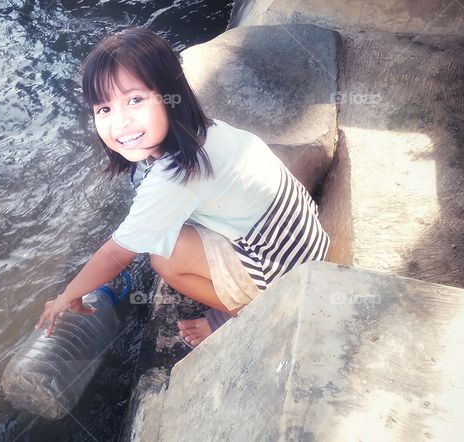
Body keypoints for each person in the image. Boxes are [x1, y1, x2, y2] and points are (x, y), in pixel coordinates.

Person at [35, 28, 330, 348]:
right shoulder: (204, 131)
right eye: (104, 109)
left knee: (164, 258)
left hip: (284, 270)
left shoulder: (175, 176)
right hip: (303, 238)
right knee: (167, 228)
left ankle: (245, 310)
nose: (120, 123)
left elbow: (117, 253)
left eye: (134, 100)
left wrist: (69, 294)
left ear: (169, 94)